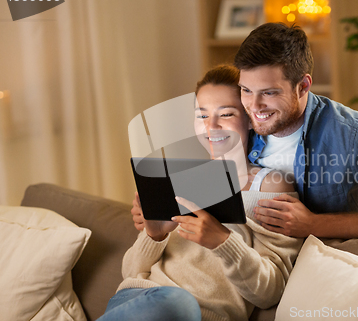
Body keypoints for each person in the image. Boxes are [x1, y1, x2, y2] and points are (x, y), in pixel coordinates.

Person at [101, 65, 303, 321]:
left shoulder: (270, 187)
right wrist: (153, 235)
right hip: (140, 301)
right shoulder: (176, 179)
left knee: (176, 303)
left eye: (226, 114)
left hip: (193, 313)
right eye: (202, 116)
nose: (212, 127)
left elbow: (270, 292)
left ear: (251, 119)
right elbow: (129, 274)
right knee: (172, 301)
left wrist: (222, 241)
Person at [232, 22, 358, 239]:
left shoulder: (351, 134)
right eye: (246, 90)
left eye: (269, 93)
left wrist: (313, 224)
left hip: (335, 261)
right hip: (265, 261)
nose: (254, 106)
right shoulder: (238, 123)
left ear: (303, 85)